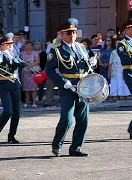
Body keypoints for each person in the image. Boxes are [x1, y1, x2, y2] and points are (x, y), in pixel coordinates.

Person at [45, 18, 97, 157]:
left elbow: (86, 66)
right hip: (68, 87)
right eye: (69, 32)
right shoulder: (57, 50)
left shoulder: (81, 47)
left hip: (83, 86)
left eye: (74, 32)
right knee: (67, 119)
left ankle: (76, 147)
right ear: (61, 34)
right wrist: (63, 82)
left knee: (83, 119)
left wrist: (92, 62)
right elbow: (49, 70)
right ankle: (57, 145)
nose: (72, 35)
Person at [0, 32, 26, 144]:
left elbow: (22, 64)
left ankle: (11, 135)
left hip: (14, 84)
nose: (10, 45)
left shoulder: (13, 55)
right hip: (3, 85)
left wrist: (13, 58)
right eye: (8, 44)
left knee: (16, 113)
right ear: (1, 45)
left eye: (11, 43)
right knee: (8, 111)